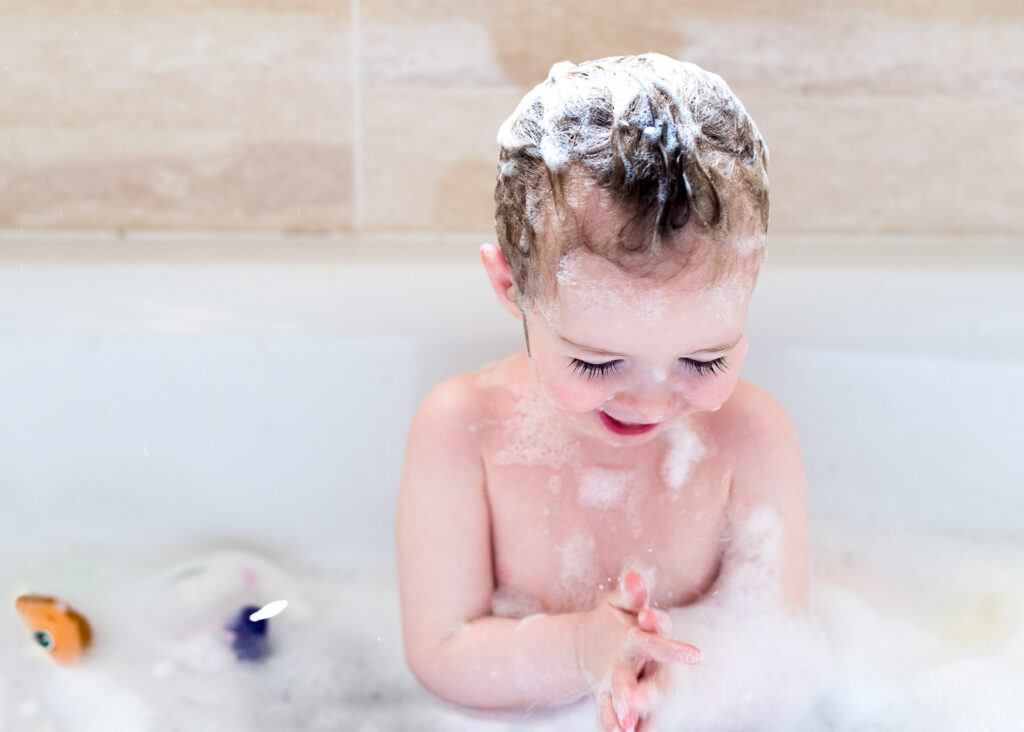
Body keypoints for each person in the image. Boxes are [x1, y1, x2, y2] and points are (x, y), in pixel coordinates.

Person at [396, 53, 808, 732]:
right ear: (511, 289)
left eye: (705, 360)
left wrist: (671, 695)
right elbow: (441, 650)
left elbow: (782, 657)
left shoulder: (752, 440)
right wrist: (581, 651)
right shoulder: (464, 430)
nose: (650, 402)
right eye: (595, 365)